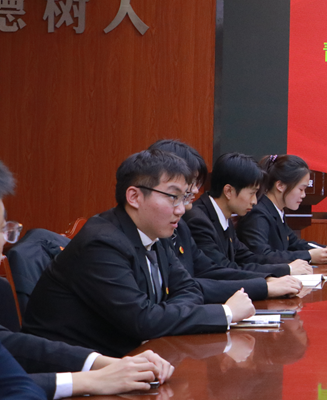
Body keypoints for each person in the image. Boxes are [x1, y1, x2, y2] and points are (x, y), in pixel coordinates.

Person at [22, 150, 255, 358]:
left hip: (132, 358)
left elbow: (189, 288)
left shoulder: (155, 232)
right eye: (172, 196)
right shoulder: (101, 242)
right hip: (72, 368)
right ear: (134, 197)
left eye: (184, 197)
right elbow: (142, 321)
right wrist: (226, 312)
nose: (181, 209)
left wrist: (161, 315)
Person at [0, 159, 175, 398]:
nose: (4, 242)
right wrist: (89, 380)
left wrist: (105, 364)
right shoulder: (102, 239)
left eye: (3, 229)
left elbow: (8, 345)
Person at [149, 140, 302, 303]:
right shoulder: (195, 220)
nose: (195, 190)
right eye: (189, 183)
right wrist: (266, 284)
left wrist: (268, 280)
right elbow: (197, 281)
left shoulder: (184, 226)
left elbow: (212, 268)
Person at [185, 153, 313, 277]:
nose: (254, 201)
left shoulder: (223, 216)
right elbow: (224, 269)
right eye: (252, 193)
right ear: (228, 191)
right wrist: (287, 269)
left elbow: (248, 257)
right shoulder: (198, 220)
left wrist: (288, 267)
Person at [237, 154, 327, 265]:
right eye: (301, 189)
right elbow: (260, 254)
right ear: (280, 186)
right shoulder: (258, 213)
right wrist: (309, 255)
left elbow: (294, 243)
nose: (303, 195)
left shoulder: (276, 210)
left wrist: (326, 249)